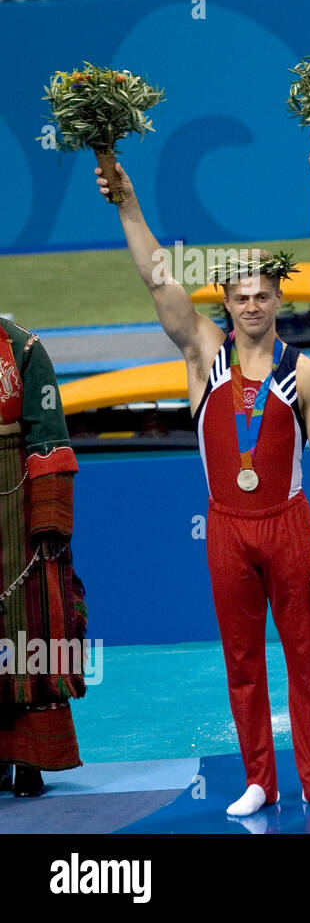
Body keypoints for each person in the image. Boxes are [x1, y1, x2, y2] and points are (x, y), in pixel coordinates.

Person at [99, 162, 310, 816]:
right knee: (242, 658)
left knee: (304, 655)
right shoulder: (202, 358)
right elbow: (158, 278)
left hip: (289, 523)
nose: (251, 305)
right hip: (229, 529)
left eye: (262, 295)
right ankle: (258, 781)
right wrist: (127, 204)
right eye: (240, 296)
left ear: (277, 301)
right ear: (226, 305)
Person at [0, 318, 87, 798]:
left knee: (27, 626)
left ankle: (29, 760)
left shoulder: (23, 347)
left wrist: (49, 520)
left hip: (16, 501)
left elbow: (48, 434)